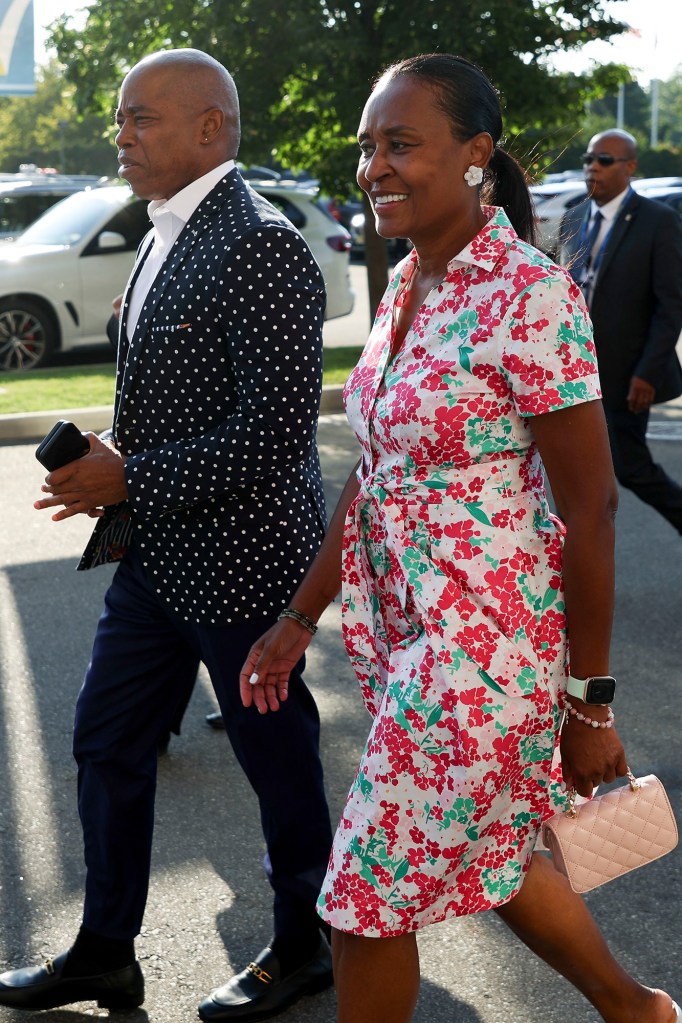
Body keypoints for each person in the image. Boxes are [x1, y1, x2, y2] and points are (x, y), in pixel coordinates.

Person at [237, 55, 680, 1023]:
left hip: (485, 658)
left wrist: (588, 702)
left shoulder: (530, 296)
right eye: (367, 146)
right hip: (408, 644)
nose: (373, 166)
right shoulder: (405, 287)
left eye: (401, 144)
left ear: (476, 156)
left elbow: (592, 506)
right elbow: (378, 468)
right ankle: (636, 1009)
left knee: (360, 898)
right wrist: (298, 615)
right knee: (501, 851)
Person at [0, 48, 334, 1022]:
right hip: (155, 560)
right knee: (106, 743)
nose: (121, 135)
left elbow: (273, 434)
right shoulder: (164, 230)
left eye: (141, 117)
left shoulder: (261, 242)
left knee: (277, 767)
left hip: (243, 565)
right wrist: (117, 452)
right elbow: (183, 397)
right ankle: (107, 951)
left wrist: (127, 473)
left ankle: (304, 944)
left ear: (210, 129)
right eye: (120, 118)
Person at [559, 129, 682, 535]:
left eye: (605, 160)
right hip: (576, 373)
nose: (592, 166)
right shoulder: (573, 215)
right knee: (569, 473)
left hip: (628, 373)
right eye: (589, 158)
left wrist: (648, 371)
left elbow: (671, 305)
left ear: (630, 167)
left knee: (631, 468)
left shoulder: (659, 221)